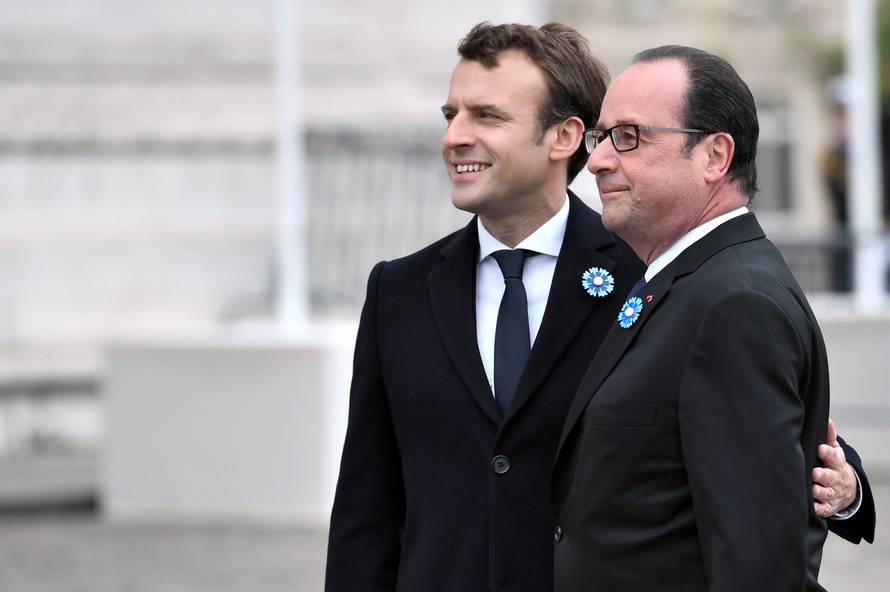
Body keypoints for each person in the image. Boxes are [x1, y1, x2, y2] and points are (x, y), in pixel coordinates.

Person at [326, 25, 873, 592]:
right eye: (450, 115)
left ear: (563, 137)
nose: (455, 136)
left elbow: (760, 432)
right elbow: (366, 510)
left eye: (487, 116)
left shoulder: (650, 274)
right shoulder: (400, 291)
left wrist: (847, 487)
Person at [550, 45, 842, 591]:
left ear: (714, 156)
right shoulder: (685, 280)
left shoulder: (735, 304)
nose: (597, 160)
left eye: (630, 136)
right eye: (601, 136)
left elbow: (758, 565)